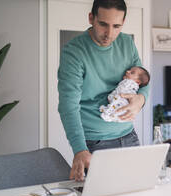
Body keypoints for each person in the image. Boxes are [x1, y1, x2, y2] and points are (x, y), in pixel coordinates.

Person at [58, 0, 150, 181]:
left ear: (123, 23)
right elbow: (68, 106)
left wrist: (141, 99)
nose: (109, 34)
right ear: (91, 18)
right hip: (95, 143)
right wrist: (80, 149)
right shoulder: (74, 52)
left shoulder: (127, 44)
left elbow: (142, 80)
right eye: (103, 25)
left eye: (116, 26)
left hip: (129, 136)